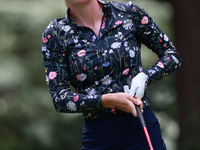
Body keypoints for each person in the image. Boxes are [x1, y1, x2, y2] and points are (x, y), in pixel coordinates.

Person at [41, 0, 182, 149]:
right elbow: (60, 98)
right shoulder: (55, 33)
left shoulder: (128, 12)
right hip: (98, 136)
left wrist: (145, 76)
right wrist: (107, 100)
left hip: (141, 126)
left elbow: (172, 55)